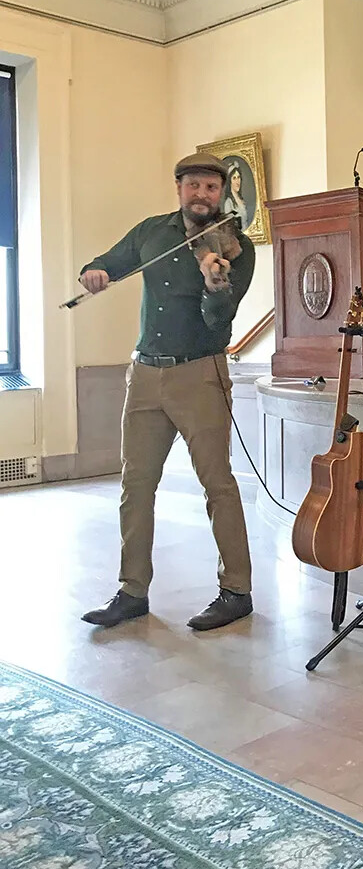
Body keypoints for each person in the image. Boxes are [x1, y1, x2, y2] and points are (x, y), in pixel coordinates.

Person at [80, 153, 256, 632]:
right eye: (194, 186)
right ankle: (132, 590)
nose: (202, 195)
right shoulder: (151, 232)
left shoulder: (237, 247)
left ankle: (236, 589)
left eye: (212, 189)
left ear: (223, 195)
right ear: (179, 187)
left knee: (217, 484)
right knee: (135, 485)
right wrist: (93, 273)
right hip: (144, 375)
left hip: (200, 373)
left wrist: (214, 283)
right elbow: (108, 263)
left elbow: (219, 321)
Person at [223, 161, 251, 231]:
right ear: (230, 181)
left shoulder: (242, 200)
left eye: (238, 177)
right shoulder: (228, 203)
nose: (237, 181)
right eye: (234, 178)